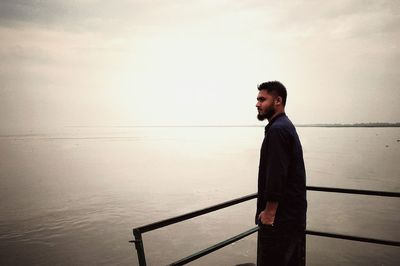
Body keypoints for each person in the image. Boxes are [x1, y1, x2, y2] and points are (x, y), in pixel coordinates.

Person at [255, 81, 307, 266]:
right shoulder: (285, 125)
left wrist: (269, 213)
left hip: (280, 221)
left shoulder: (278, 130)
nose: (257, 104)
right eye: (257, 99)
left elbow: (277, 175)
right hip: (292, 217)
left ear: (278, 100)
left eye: (262, 99)